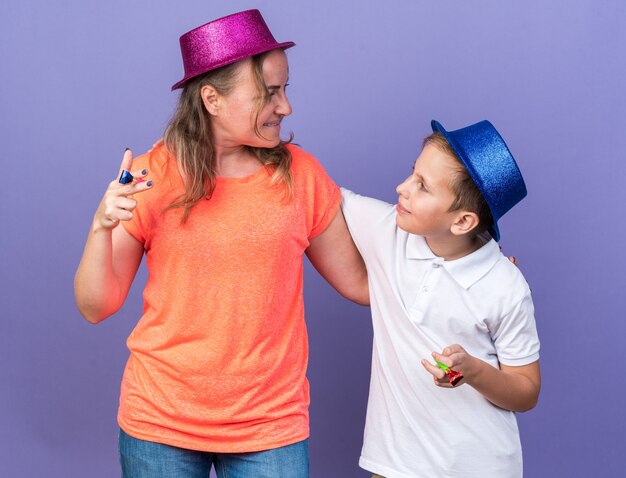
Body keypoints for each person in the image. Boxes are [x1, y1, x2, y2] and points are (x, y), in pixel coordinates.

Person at [74, 9, 367, 478]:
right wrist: (100, 227)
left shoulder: (302, 176)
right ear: (211, 98)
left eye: (285, 89)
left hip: (270, 426)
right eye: (270, 93)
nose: (286, 106)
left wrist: (467, 269)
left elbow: (362, 284)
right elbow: (96, 306)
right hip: (160, 421)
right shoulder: (151, 176)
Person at [341, 120, 541, 478]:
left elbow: (526, 392)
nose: (401, 188)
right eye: (411, 173)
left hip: (479, 468)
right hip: (393, 467)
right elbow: (317, 190)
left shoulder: (505, 285)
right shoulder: (387, 230)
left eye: (422, 186)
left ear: (463, 222)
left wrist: (475, 371)